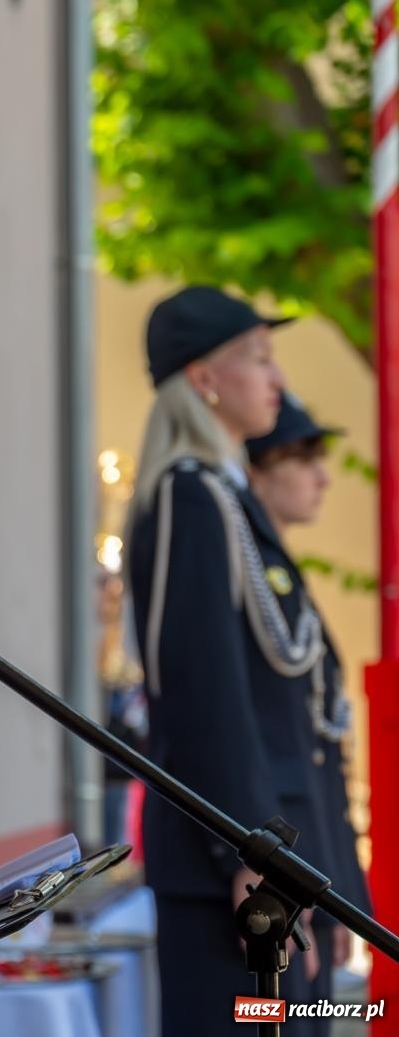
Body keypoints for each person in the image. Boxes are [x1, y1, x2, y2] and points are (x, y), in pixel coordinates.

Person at [125, 285, 364, 1036]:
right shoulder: (190, 496)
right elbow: (201, 693)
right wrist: (250, 854)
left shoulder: (224, 499)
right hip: (238, 869)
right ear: (204, 379)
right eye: (259, 359)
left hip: (277, 858)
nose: (277, 380)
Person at [244, 390, 373, 1017]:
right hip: (278, 864)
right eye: (303, 459)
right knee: (276, 1018)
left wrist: (344, 891)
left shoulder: (284, 578)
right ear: (259, 470)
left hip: (307, 861)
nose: (323, 478)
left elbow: (323, 757)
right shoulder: (252, 576)